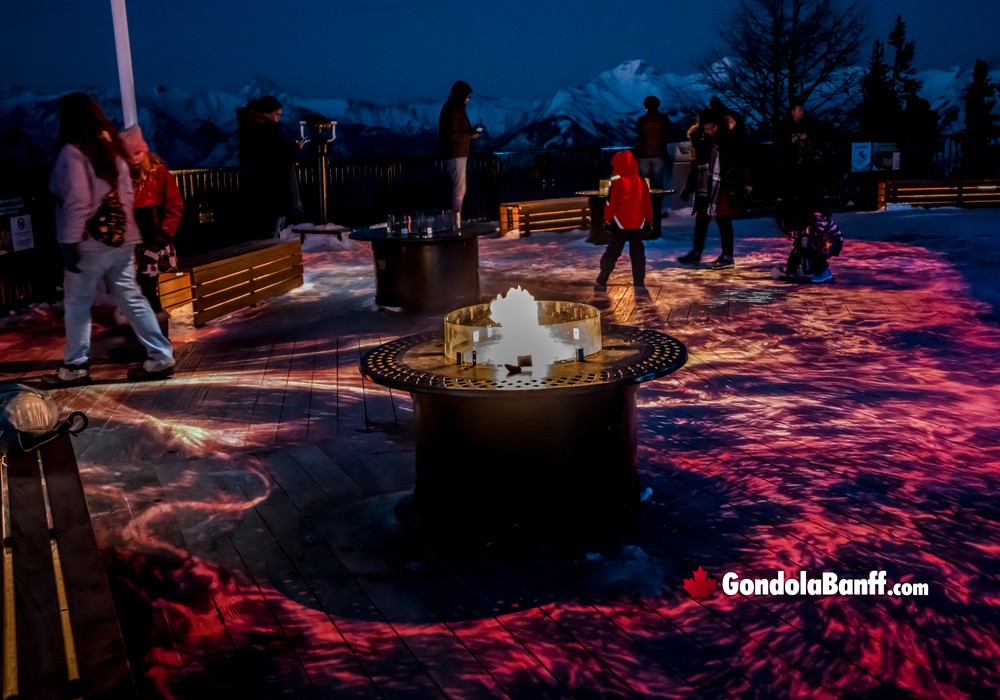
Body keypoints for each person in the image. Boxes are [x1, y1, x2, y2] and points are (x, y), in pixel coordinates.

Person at [43, 93, 175, 387]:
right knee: (131, 297)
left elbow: (77, 201)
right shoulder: (112, 148)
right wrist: (124, 231)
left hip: (89, 242)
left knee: (77, 304)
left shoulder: (73, 152)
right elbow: (127, 194)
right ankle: (160, 356)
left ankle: (75, 366)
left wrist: (68, 243)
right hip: (122, 239)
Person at [120, 125, 184, 319]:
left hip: (154, 239)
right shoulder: (123, 176)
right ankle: (152, 326)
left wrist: (163, 236)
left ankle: (155, 326)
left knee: (147, 285)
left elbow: (175, 206)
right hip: (133, 241)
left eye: (137, 153)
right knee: (139, 286)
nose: (135, 158)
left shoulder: (158, 173)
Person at [677, 108, 751, 269]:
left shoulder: (730, 139)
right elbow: (697, 165)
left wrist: (745, 184)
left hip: (724, 184)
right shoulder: (701, 140)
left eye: (713, 128)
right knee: (702, 218)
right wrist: (689, 187)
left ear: (720, 125)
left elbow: (740, 163)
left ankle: (727, 256)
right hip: (706, 185)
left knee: (723, 219)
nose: (710, 132)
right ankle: (696, 252)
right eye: (706, 129)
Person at [237, 95, 302, 239]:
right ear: (266, 113)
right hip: (270, 193)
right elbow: (276, 156)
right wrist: (294, 148)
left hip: (263, 193)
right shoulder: (264, 132)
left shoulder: (252, 130)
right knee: (270, 233)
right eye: (276, 114)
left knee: (270, 231)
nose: (279, 118)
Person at [594, 150, 653, 295]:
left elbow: (611, 204)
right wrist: (649, 220)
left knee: (613, 251)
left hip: (620, 224)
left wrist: (607, 220)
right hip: (638, 224)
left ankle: (603, 277)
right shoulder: (641, 182)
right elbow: (647, 203)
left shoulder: (617, 183)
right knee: (637, 252)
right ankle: (639, 281)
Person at [775, 97, 823, 233]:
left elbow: (818, 133)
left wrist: (806, 136)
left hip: (805, 167)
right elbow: (778, 139)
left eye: (802, 110)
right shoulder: (785, 125)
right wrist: (791, 139)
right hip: (789, 167)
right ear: (792, 112)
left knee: (806, 196)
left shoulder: (807, 124)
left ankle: (806, 222)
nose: (801, 112)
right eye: (799, 110)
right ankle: (791, 223)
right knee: (790, 197)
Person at [439, 80, 481, 219]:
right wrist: (471, 134)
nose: (468, 99)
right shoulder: (454, 109)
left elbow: (455, 132)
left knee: (458, 189)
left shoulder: (452, 108)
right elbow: (453, 135)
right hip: (456, 154)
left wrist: (470, 133)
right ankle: (455, 223)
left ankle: (455, 221)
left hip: (456, 153)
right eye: (467, 96)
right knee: (459, 189)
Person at [771, 208, 843, 284]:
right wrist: (790, 270)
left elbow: (819, 230)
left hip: (832, 241)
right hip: (818, 241)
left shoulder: (816, 217)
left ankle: (824, 271)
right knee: (799, 247)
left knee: (806, 243)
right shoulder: (803, 226)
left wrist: (802, 233)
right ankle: (792, 270)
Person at [635, 95, 673, 190]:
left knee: (644, 184)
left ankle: (646, 203)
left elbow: (639, 136)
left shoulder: (641, 120)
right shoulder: (663, 119)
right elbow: (669, 134)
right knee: (658, 184)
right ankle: (657, 203)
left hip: (643, 155)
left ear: (646, 107)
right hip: (659, 154)